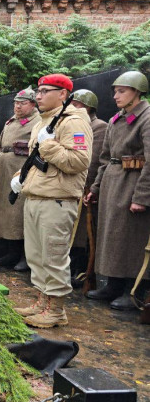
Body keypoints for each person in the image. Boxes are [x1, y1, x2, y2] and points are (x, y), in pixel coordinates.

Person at [11, 74, 92, 328]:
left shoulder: (74, 122)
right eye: (39, 91)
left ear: (63, 94)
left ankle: (56, 310)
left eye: (46, 91)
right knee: (36, 256)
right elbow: (38, 162)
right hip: (36, 196)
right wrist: (19, 177)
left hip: (57, 200)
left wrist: (49, 148)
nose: (39, 95)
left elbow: (79, 162)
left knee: (53, 256)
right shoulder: (43, 122)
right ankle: (42, 302)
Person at [85, 71, 150, 310]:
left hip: (132, 183)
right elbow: (105, 158)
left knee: (131, 238)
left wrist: (142, 196)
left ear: (137, 92)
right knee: (111, 236)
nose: (116, 95)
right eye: (115, 91)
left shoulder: (147, 117)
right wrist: (96, 187)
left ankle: (134, 290)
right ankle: (113, 284)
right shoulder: (116, 119)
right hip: (113, 182)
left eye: (122, 91)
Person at [0, 87, 40, 271]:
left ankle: (24, 255)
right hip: (3, 173)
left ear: (32, 104)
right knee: (5, 214)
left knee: (19, 214)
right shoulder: (10, 122)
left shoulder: (38, 122)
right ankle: (10, 252)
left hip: (20, 172)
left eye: (22, 103)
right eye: (16, 103)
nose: (17, 106)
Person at [68, 89, 108, 288]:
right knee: (71, 231)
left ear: (88, 107)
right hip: (71, 184)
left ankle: (81, 270)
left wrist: (91, 186)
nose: (73, 107)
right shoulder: (73, 123)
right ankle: (71, 268)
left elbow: (95, 159)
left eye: (77, 104)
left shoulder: (99, 126)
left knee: (84, 232)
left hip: (85, 186)